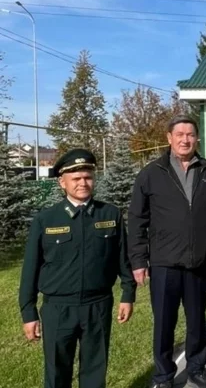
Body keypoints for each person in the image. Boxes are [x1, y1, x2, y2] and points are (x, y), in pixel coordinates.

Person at [18, 148, 136, 388]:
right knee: (57, 371)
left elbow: (122, 259)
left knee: (95, 371)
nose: (83, 183)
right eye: (76, 178)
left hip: (98, 305)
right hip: (59, 308)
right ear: (62, 182)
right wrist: (29, 312)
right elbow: (30, 269)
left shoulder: (110, 213)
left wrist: (128, 294)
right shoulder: (46, 219)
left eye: (88, 177)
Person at [128, 115, 206, 388]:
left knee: (196, 321)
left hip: (197, 262)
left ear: (197, 138)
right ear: (169, 138)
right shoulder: (151, 173)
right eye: (179, 134)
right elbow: (137, 220)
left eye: (190, 134)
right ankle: (164, 375)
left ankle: (196, 367)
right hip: (164, 263)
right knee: (164, 324)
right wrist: (138, 261)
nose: (185, 139)